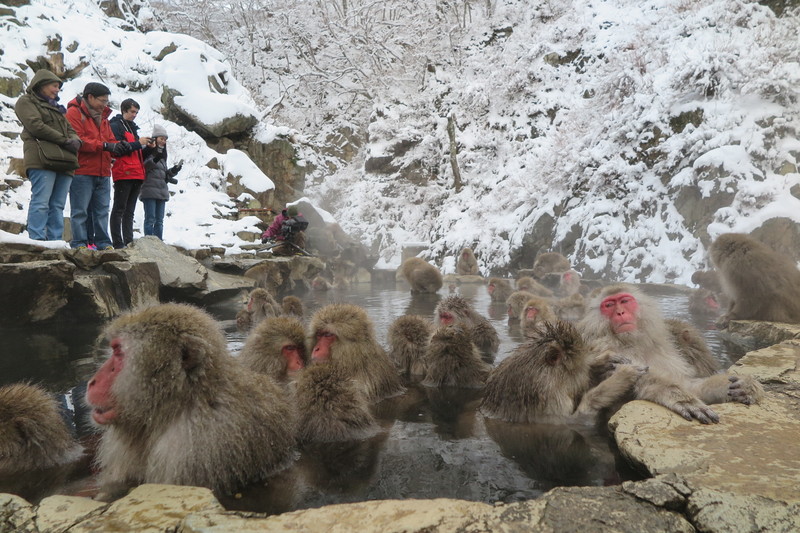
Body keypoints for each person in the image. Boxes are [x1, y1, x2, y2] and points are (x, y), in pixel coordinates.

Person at [14, 69, 81, 241]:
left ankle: (55, 241)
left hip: (64, 161)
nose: (57, 89)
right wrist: (65, 141)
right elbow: (35, 125)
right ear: (41, 84)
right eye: (54, 85)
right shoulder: (26, 102)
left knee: (57, 205)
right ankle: (36, 239)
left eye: (58, 86)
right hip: (41, 159)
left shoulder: (56, 108)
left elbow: (71, 130)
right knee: (41, 202)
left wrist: (74, 139)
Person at [66, 82, 130, 250]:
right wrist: (107, 146)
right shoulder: (74, 113)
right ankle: (79, 243)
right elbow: (78, 140)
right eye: (102, 100)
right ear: (90, 97)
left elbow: (109, 140)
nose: (104, 104)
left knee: (102, 210)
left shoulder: (103, 118)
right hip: (82, 170)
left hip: (103, 171)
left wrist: (119, 146)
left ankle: (103, 243)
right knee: (80, 211)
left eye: (107, 101)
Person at [109, 99, 149, 248]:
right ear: (124, 110)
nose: (135, 115)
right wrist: (139, 143)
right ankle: (117, 242)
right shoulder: (115, 126)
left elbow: (135, 151)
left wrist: (148, 147)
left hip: (136, 173)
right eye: (132, 111)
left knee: (129, 211)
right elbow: (119, 148)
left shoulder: (133, 128)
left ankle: (129, 241)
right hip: (123, 172)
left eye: (136, 112)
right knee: (119, 208)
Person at [140, 124, 181, 239]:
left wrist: (173, 171)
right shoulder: (147, 151)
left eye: (165, 139)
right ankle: (148, 244)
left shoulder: (163, 155)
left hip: (161, 191)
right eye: (161, 139)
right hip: (149, 190)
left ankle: (159, 244)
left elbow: (163, 176)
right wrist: (155, 157)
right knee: (150, 219)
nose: (163, 141)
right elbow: (145, 167)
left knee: (159, 221)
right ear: (155, 139)